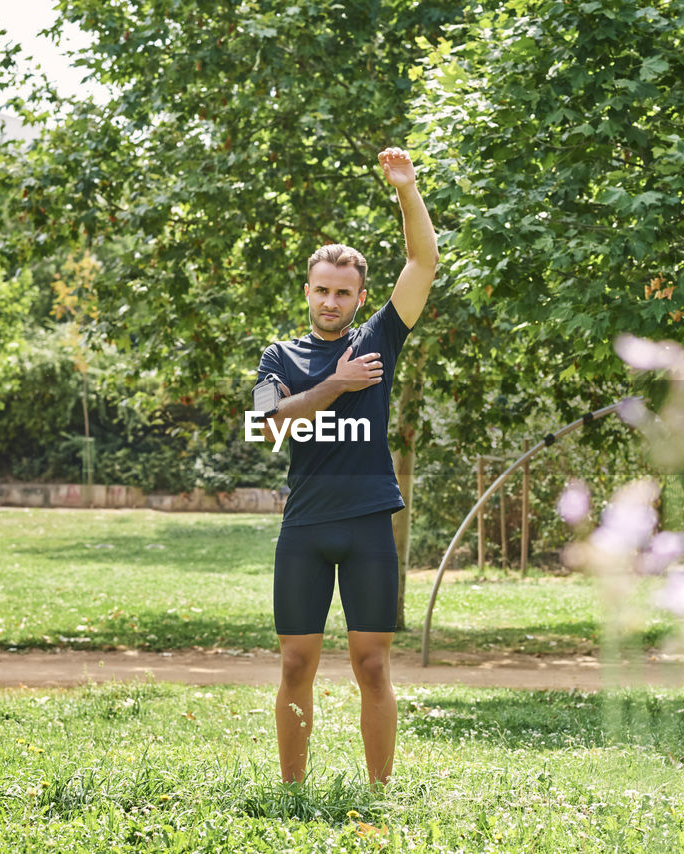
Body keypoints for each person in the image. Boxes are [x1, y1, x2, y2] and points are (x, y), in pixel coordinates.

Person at [255, 147, 438, 786]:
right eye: (321, 291)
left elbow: (422, 263)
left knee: (372, 666)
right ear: (308, 291)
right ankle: (292, 793)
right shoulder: (276, 356)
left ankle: (380, 795)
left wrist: (406, 191)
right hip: (304, 529)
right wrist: (336, 383)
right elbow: (269, 424)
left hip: (367, 526)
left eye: (343, 293)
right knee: (296, 666)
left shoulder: (380, 338)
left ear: (360, 298)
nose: (330, 302)